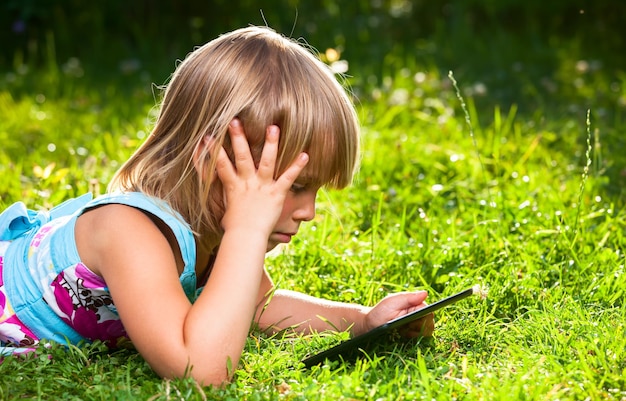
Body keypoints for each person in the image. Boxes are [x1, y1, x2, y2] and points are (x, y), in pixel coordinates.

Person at [0, 26, 433, 385]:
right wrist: (247, 228)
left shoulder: (213, 230)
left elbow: (261, 306)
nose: (309, 212)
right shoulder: (129, 229)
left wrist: (362, 321)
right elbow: (198, 372)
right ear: (213, 162)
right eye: (294, 186)